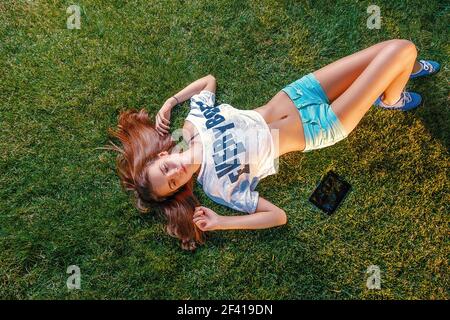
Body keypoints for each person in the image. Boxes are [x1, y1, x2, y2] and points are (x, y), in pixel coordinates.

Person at [107, 39, 440, 250]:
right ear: (182, 187)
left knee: (390, 49)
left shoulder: (191, 126)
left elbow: (208, 81)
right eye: (174, 182)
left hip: (296, 94)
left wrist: (171, 100)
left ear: (162, 154)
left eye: (166, 168)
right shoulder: (217, 185)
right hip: (320, 126)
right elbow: (277, 216)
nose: (177, 171)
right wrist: (223, 222)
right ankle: (393, 95)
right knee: (402, 50)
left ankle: (398, 77)